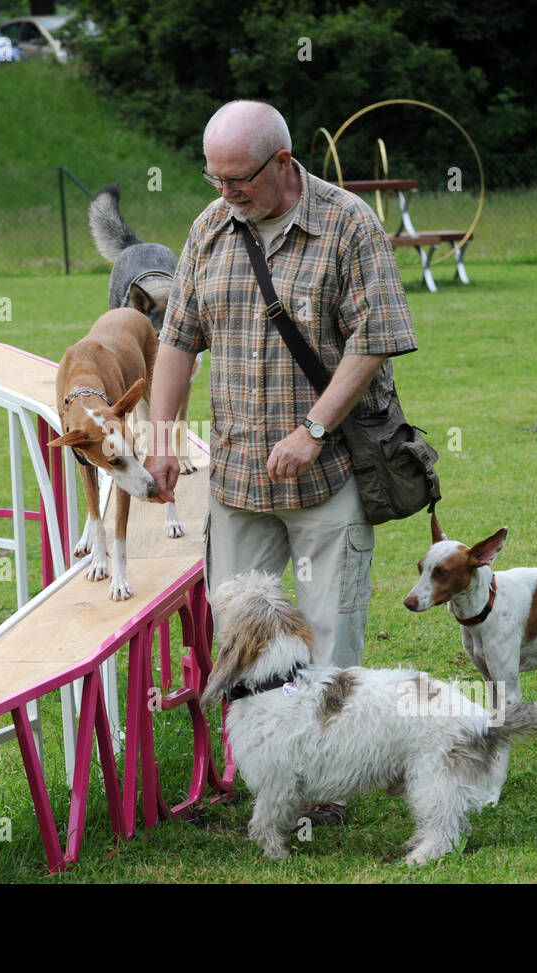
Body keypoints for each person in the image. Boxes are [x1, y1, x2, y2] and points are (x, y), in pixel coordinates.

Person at [144, 100, 417, 775]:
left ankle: (328, 778)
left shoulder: (348, 223)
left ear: (284, 163)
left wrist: (314, 428)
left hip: (328, 474)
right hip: (237, 477)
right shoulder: (209, 227)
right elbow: (177, 339)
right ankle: (263, 769)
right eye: (215, 178)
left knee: (327, 634)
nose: (226, 193)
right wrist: (160, 436)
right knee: (239, 634)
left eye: (238, 178)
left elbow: (375, 340)